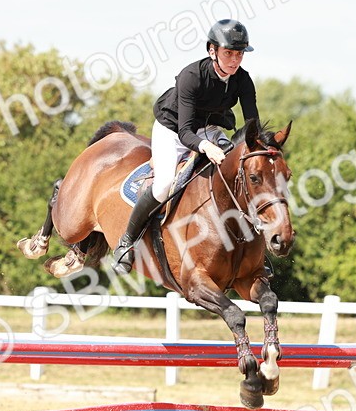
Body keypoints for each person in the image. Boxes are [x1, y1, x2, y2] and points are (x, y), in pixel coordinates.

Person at [111, 18, 259, 273]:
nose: (234, 60)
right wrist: (205, 147)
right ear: (212, 51)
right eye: (229, 53)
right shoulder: (192, 76)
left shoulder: (243, 80)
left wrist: (258, 147)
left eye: (239, 54)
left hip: (211, 128)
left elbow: (251, 124)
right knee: (165, 183)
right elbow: (185, 132)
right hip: (174, 129)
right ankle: (127, 242)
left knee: (237, 173)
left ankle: (252, 251)